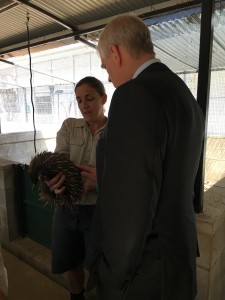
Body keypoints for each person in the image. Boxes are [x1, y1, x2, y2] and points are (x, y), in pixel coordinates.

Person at [87, 14, 204, 300]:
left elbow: (131, 208)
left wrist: (113, 278)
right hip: (179, 262)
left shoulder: (133, 95)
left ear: (115, 52)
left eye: (106, 66)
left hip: (144, 273)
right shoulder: (184, 95)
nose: (109, 77)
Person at [46, 76, 107, 300]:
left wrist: (101, 184)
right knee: (70, 263)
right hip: (66, 208)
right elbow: (58, 162)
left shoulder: (117, 132)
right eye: (79, 100)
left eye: (89, 99)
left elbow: (122, 174)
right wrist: (53, 180)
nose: (84, 106)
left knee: (99, 266)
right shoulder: (69, 126)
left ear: (103, 99)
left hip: (97, 212)